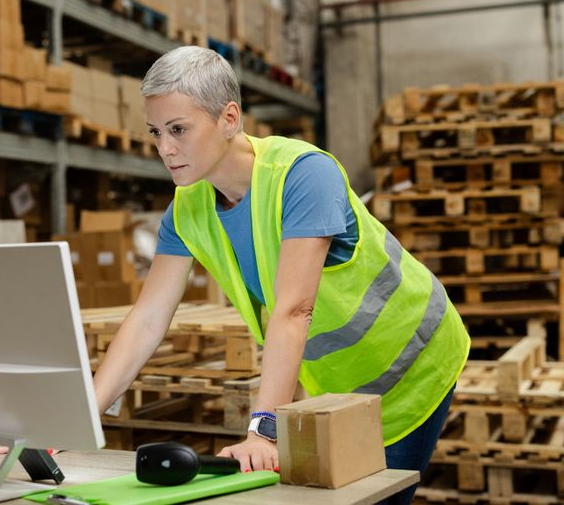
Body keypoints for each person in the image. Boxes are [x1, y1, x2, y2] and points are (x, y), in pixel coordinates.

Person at [91, 46, 470, 504]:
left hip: (412, 361)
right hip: (337, 385)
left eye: (178, 130)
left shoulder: (304, 175)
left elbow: (294, 310)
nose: (164, 149)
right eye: (155, 132)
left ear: (229, 119)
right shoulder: (187, 209)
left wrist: (263, 430)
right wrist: (79, 416)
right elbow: (148, 318)